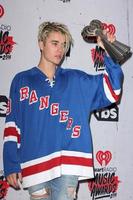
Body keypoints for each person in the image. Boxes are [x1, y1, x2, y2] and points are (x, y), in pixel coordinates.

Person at [3, 21, 123, 200]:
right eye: (54, 43)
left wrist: (108, 50)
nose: (60, 49)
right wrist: (11, 164)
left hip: (69, 163)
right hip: (34, 164)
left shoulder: (76, 80)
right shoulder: (21, 81)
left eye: (64, 44)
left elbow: (113, 90)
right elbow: (12, 125)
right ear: (41, 44)